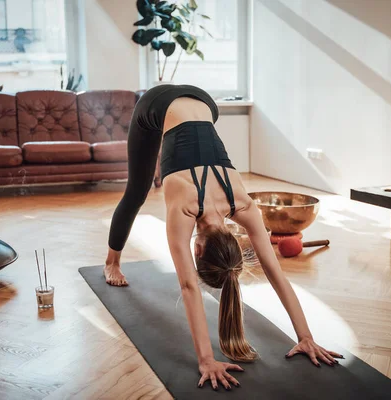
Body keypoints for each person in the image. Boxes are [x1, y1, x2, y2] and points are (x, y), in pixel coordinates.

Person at [105, 84, 342, 390]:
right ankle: (112, 262)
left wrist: (306, 338)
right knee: (136, 191)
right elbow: (189, 286)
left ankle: (113, 260)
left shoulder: (242, 204)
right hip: (155, 104)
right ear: (200, 251)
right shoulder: (186, 204)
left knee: (143, 185)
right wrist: (205, 359)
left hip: (206, 102)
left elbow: (275, 272)